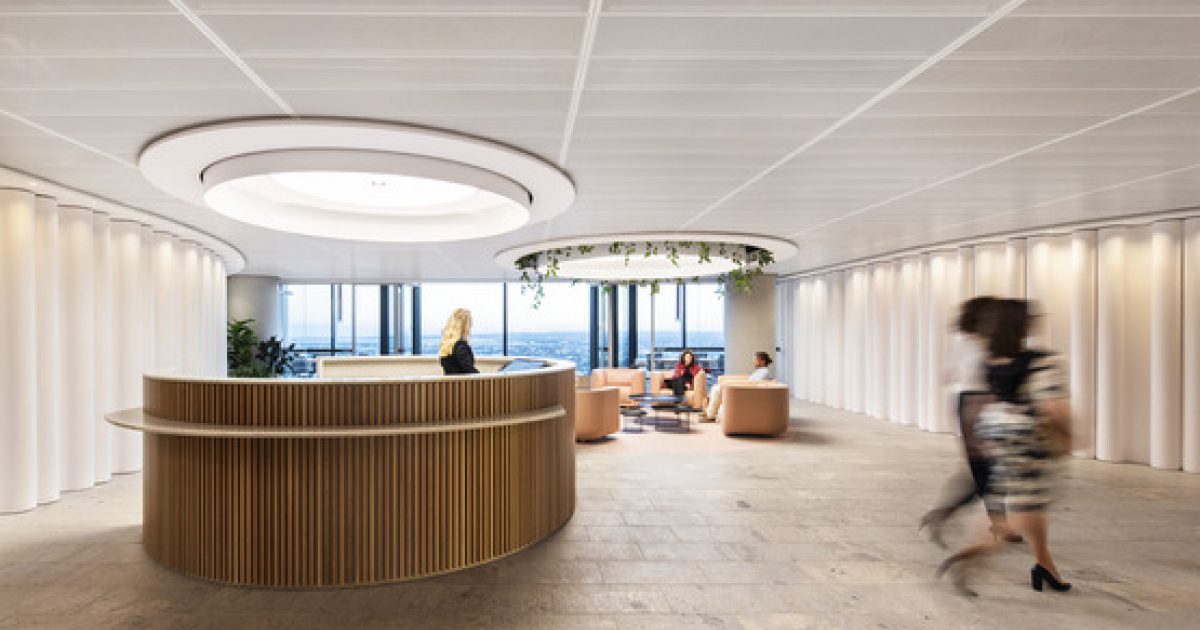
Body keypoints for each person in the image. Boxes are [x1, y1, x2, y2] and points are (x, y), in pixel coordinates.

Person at [936, 299, 1072, 597]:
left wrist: (978, 437)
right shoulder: (1040, 360)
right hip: (1029, 439)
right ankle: (974, 553)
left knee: (1023, 502)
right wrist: (1067, 435)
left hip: (997, 431)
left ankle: (1044, 565)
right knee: (1026, 507)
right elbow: (1053, 408)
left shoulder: (991, 361)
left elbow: (979, 397)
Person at [919, 297, 1019, 547]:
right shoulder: (980, 344)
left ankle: (990, 520)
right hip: (977, 405)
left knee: (984, 470)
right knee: (986, 470)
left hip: (970, 403)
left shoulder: (963, 342)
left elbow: (949, 374)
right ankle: (984, 520)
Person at [703, 351, 773, 421]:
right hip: (745, 390)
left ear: (762, 361)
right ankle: (710, 412)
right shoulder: (759, 371)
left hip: (748, 393)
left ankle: (710, 414)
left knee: (717, 389)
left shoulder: (764, 373)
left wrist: (734, 384)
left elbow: (754, 385)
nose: (753, 361)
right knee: (716, 388)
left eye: (755, 359)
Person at [438, 308, 479, 375]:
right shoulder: (461, 346)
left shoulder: (446, 346)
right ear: (465, 326)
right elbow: (469, 370)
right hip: (462, 382)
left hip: (450, 381)